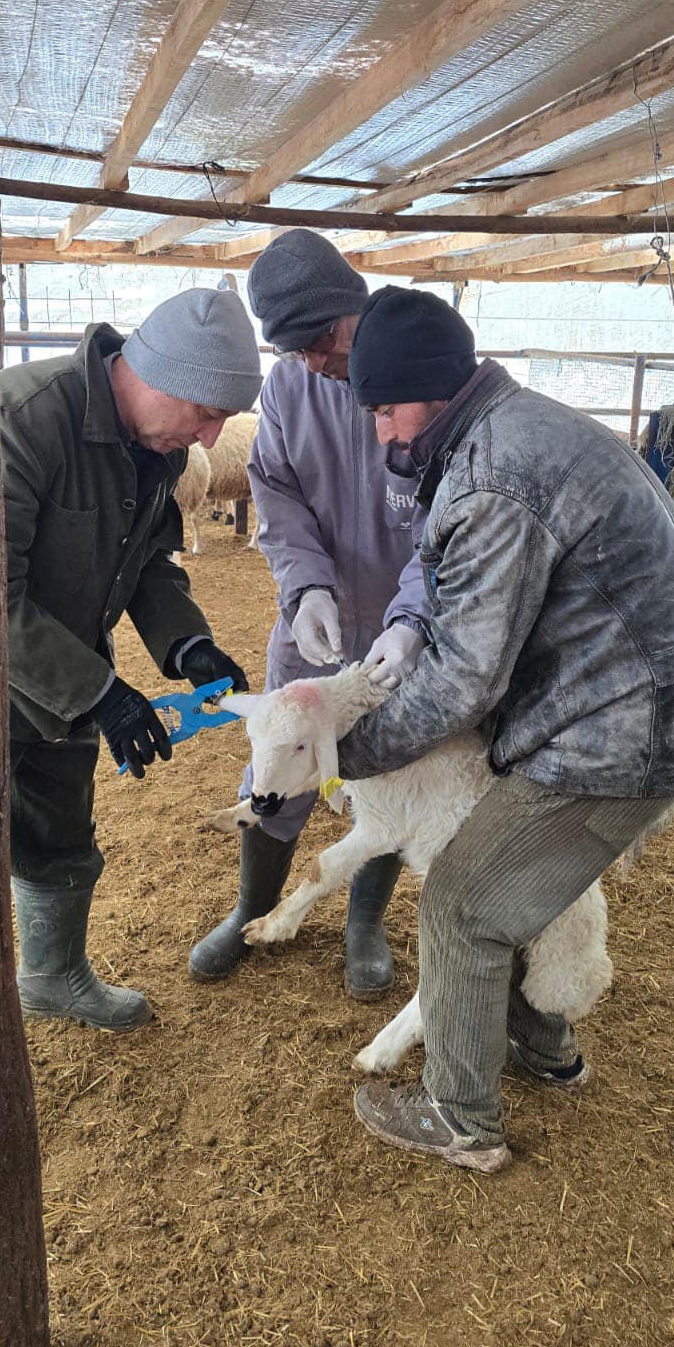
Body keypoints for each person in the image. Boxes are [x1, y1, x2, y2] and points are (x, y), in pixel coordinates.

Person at [336, 286, 674, 1171]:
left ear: (432, 390)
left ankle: (460, 1118)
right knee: (518, 878)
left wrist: (347, 753)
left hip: (621, 734)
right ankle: (542, 1049)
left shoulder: (490, 479)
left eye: (386, 410)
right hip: (642, 709)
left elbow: (467, 674)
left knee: (465, 901)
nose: (382, 435)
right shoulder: (516, 426)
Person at [0, 288, 261, 1032]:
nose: (212, 437)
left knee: (58, 828)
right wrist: (102, 695)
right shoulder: (26, 419)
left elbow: (149, 558)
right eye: (206, 413)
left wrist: (187, 643)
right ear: (156, 374)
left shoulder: (161, 445)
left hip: (65, 679)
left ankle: (51, 975)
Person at [188, 231, 433, 996]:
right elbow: (276, 486)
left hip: (404, 636)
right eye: (292, 350)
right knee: (278, 756)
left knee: (391, 767)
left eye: (319, 341)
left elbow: (458, 520)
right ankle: (250, 909)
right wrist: (304, 588)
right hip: (314, 624)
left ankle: (362, 923)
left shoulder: (426, 375)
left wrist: (414, 616)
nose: (310, 361)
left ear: (351, 308)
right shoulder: (291, 388)